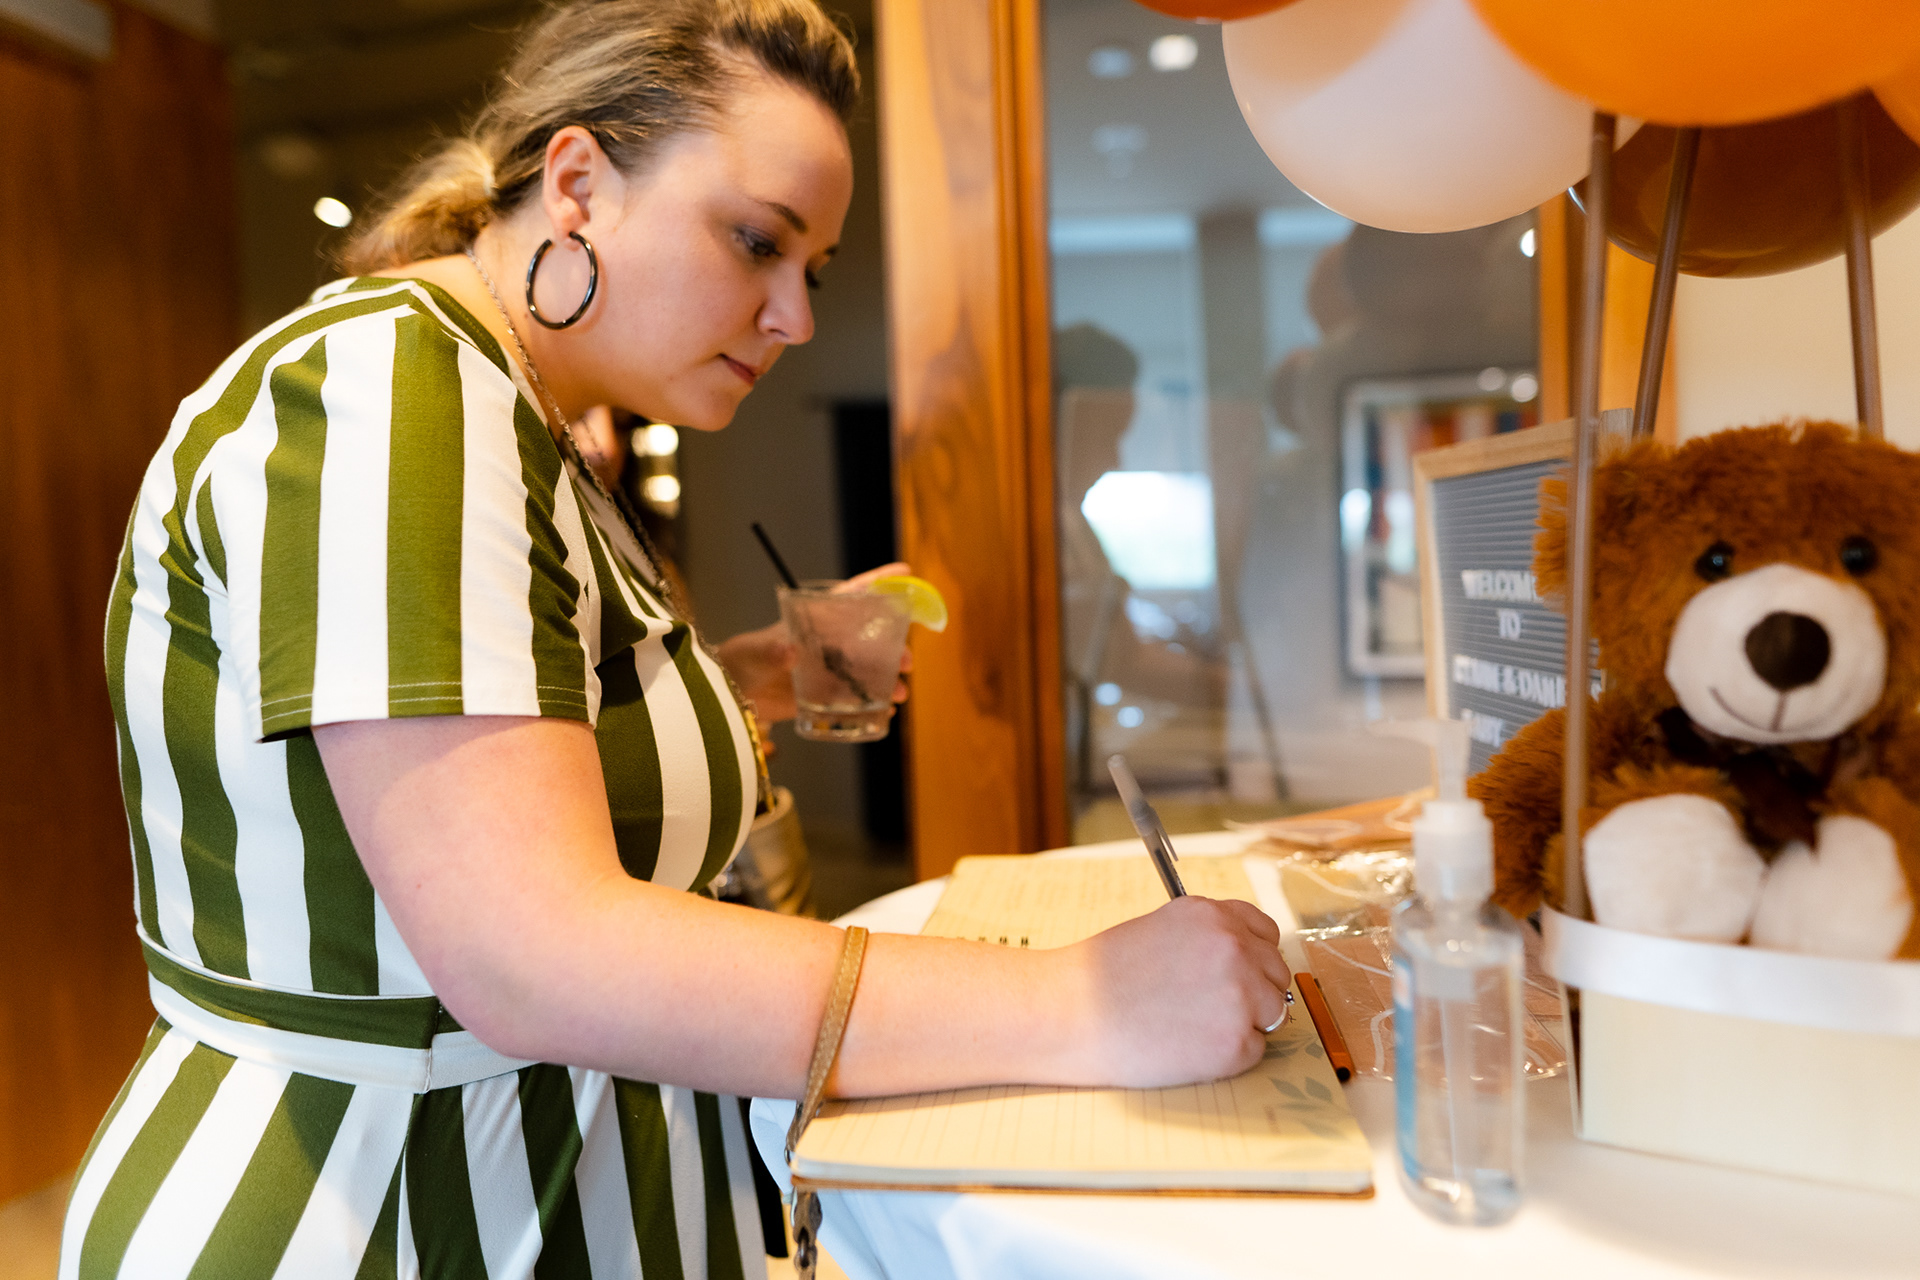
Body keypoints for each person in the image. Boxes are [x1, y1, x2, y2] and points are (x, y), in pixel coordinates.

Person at [64, 2, 1292, 1275]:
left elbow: (535, 735)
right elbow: (532, 951)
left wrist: (737, 678)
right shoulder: (392, 393)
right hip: (383, 1217)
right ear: (578, 185)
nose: (794, 316)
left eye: (812, 269)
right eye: (757, 241)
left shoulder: (538, 427)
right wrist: (1079, 997)